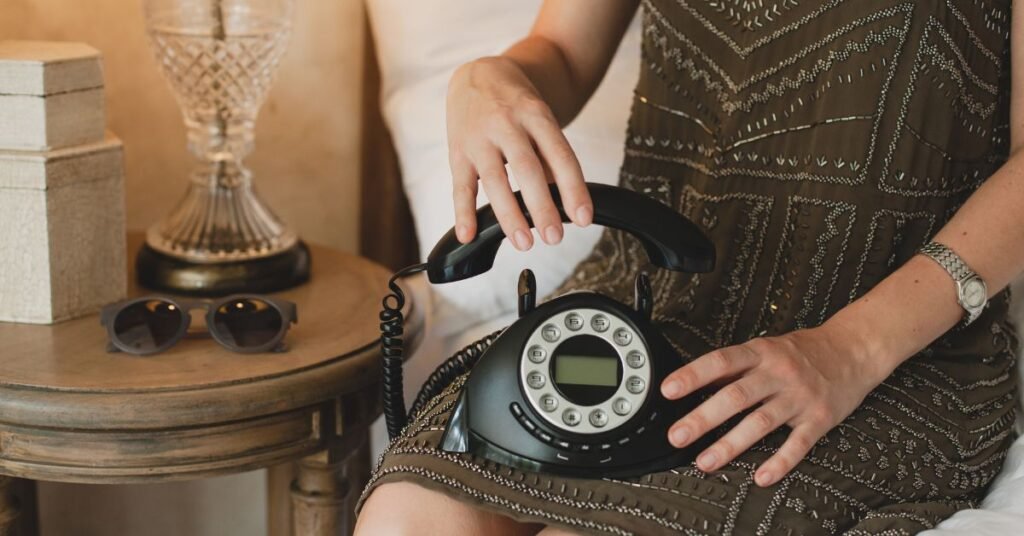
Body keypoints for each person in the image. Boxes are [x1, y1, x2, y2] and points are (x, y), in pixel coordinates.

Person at [355, 0, 1022, 533]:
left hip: (887, 344)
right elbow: (560, 50)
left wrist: (851, 349)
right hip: (655, 298)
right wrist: (489, 78)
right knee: (405, 519)